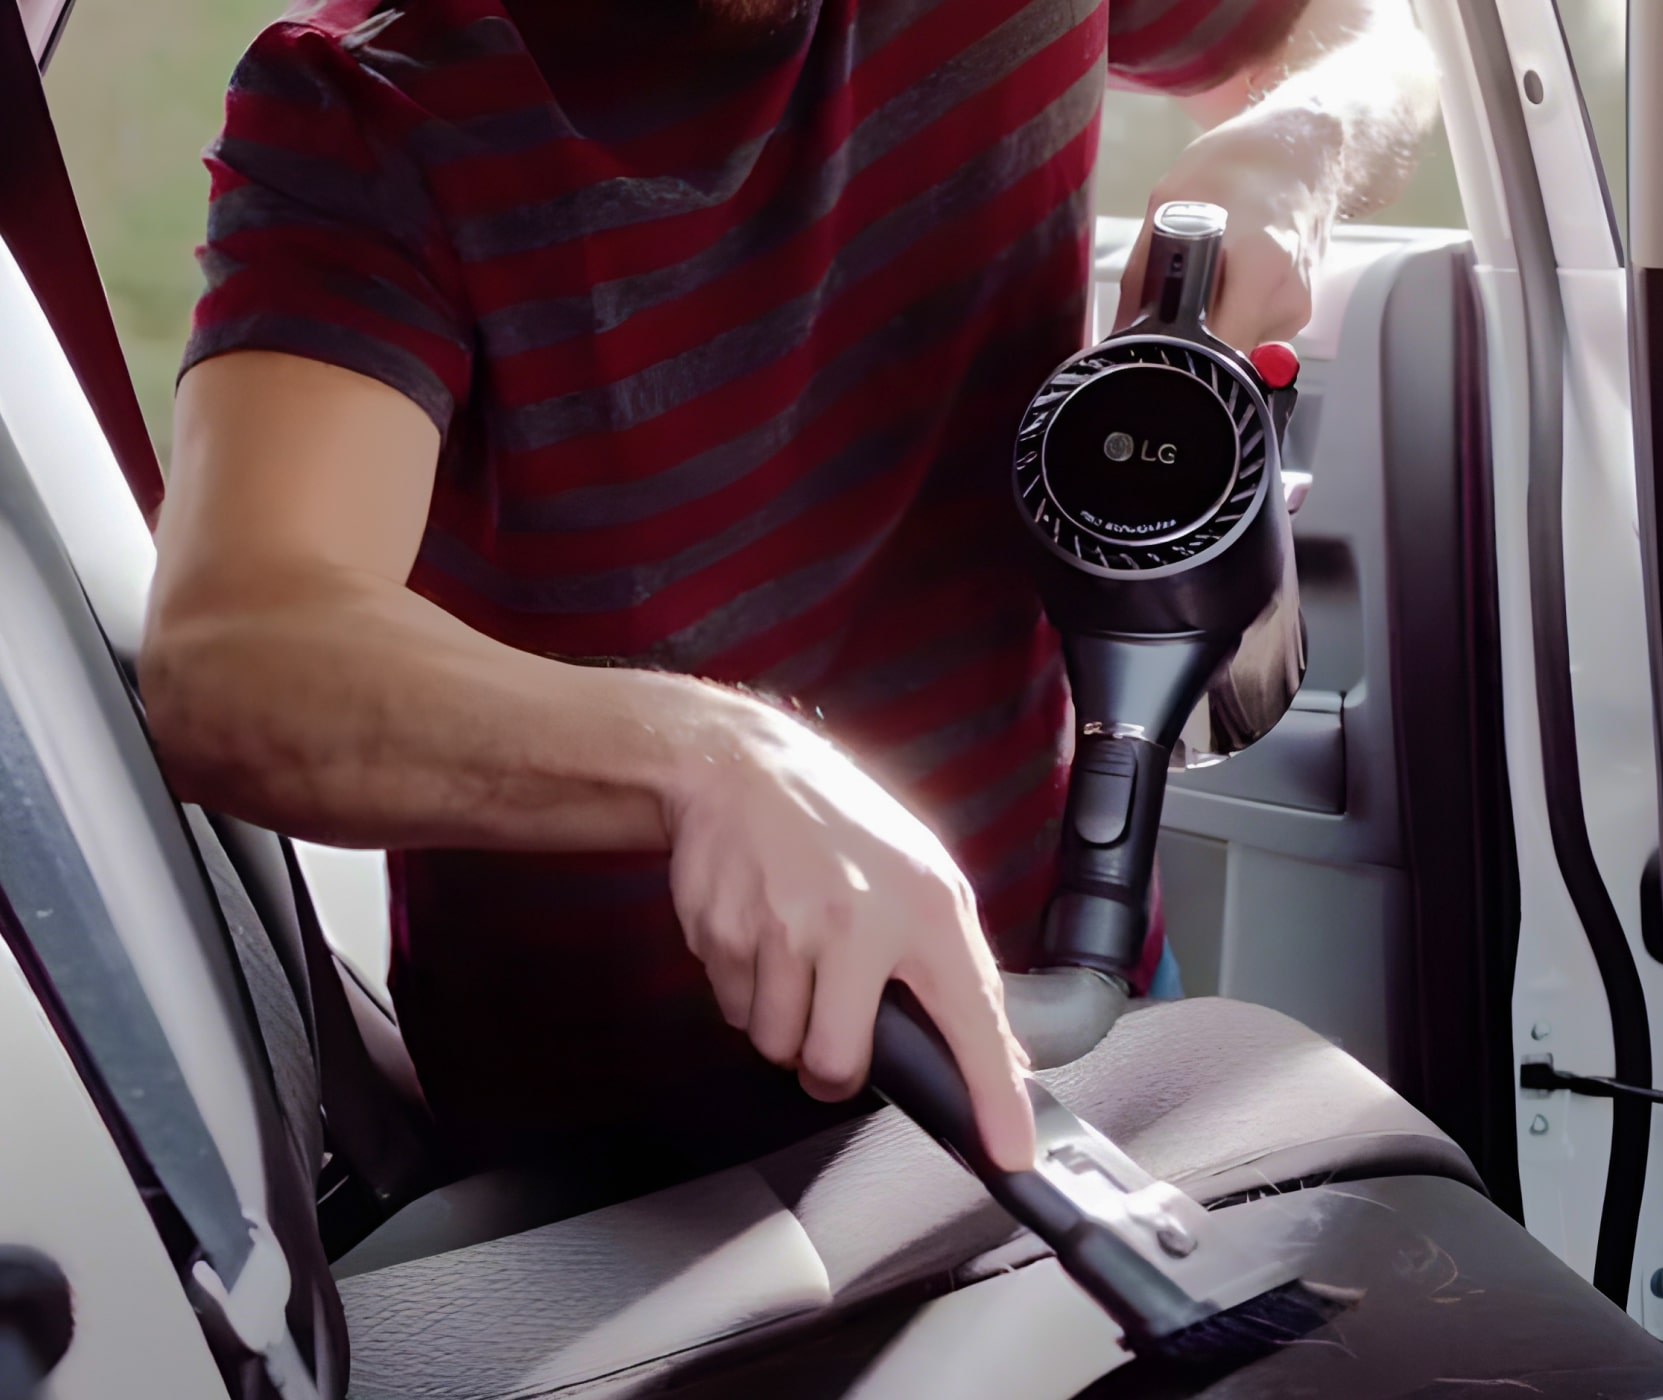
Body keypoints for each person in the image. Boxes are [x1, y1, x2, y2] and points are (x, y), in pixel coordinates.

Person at [142, 0, 1436, 1179]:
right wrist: (711, 758)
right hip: (624, 1178)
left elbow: (1374, 35)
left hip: (1067, 1004)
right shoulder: (364, 115)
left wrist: (1291, 152)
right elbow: (241, 649)